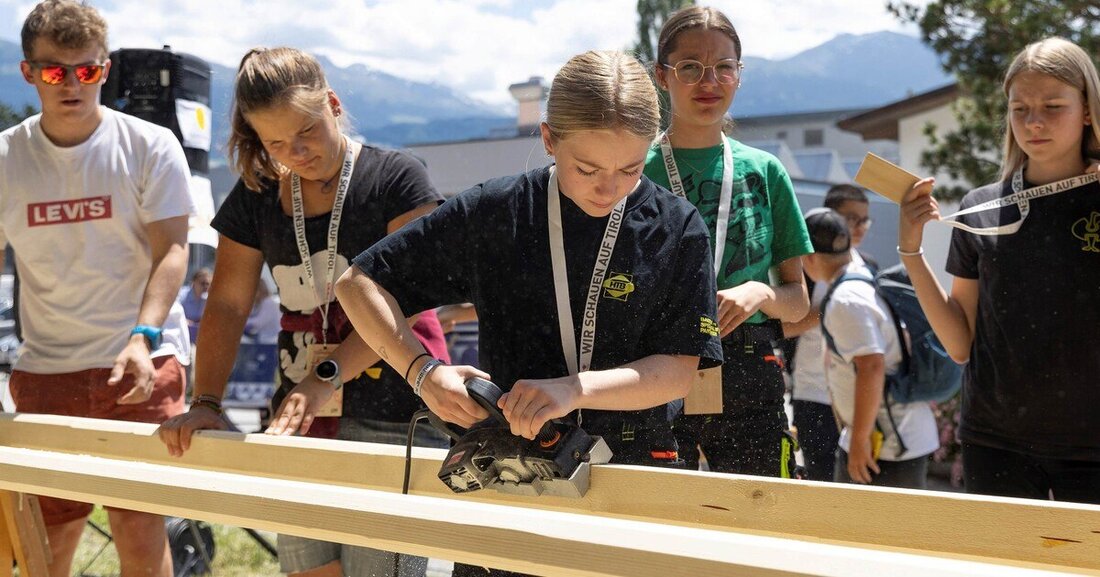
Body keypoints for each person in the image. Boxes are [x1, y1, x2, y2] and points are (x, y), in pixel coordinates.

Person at [335, 50, 723, 577]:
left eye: (630, 169)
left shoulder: (677, 227)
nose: (608, 189)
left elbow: (679, 372)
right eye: (586, 169)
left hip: (634, 470)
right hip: (511, 470)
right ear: (548, 139)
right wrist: (422, 372)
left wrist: (574, 389)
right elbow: (358, 283)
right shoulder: (495, 212)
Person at [156, 47, 450, 577]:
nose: (295, 152)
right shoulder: (257, 195)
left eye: (305, 132)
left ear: (332, 104)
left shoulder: (396, 177)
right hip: (300, 418)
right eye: (275, 142)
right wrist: (205, 399)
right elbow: (226, 304)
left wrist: (324, 377)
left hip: (399, 414)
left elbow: (409, 298)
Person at [0, 2, 193, 575]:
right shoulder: (7, 157)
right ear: (28, 73)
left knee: (139, 530)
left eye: (85, 71)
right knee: (45, 544)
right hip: (45, 368)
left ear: (104, 70)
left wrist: (143, 335)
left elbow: (173, 251)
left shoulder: (150, 144)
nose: (72, 84)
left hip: (141, 361)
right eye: (55, 72)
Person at [899, 37, 1100, 502]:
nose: (1034, 122)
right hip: (996, 440)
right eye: (1019, 108)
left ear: (1087, 109)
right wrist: (911, 249)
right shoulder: (981, 208)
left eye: (1053, 106)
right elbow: (960, 343)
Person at [644, 5, 812, 477]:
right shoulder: (633, 172)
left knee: (758, 522)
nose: (709, 81)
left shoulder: (765, 172)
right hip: (654, 363)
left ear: (739, 75)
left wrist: (761, 292)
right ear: (662, 76)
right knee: (659, 527)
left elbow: (798, 303)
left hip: (748, 361)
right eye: (690, 67)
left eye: (724, 66)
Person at [803, 209, 938, 487]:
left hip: (888, 444)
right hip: (891, 435)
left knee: (865, 529)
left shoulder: (846, 299)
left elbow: (871, 366)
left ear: (810, 257)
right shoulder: (861, 276)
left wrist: (859, 440)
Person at [784, 184, 877, 481]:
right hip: (812, 392)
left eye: (864, 219)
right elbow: (783, 327)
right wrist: (830, 312)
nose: (858, 227)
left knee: (860, 484)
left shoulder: (869, 269)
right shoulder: (803, 269)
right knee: (823, 481)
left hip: (855, 396)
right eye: (851, 218)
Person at [178, 267, 211, 342]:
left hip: (198, 336)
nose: (205, 287)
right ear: (194, 282)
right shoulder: (182, 295)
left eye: (207, 284)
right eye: (202, 283)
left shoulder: (207, 298)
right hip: (182, 333)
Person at [244, 280, 281, 344]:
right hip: (264, 339)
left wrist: (242, 323)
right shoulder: (257, 304)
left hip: (272, 340)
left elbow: (259, 322)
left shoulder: (268, 302)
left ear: (260, 290)